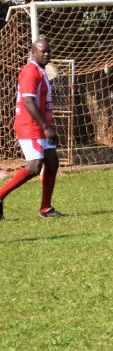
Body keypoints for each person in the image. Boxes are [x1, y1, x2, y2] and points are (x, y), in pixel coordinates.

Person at [0, 39, 65, 220]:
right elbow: (28, 101)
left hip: (40, 126)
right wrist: (45, 127)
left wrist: (49, 126)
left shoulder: (41, 70)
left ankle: (46, 208)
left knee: (52, 162)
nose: (46, 54)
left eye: (48, 51)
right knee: (34, 167)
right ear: (33, 52)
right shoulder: (30, 70)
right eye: (42, 51)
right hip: (29, 126)